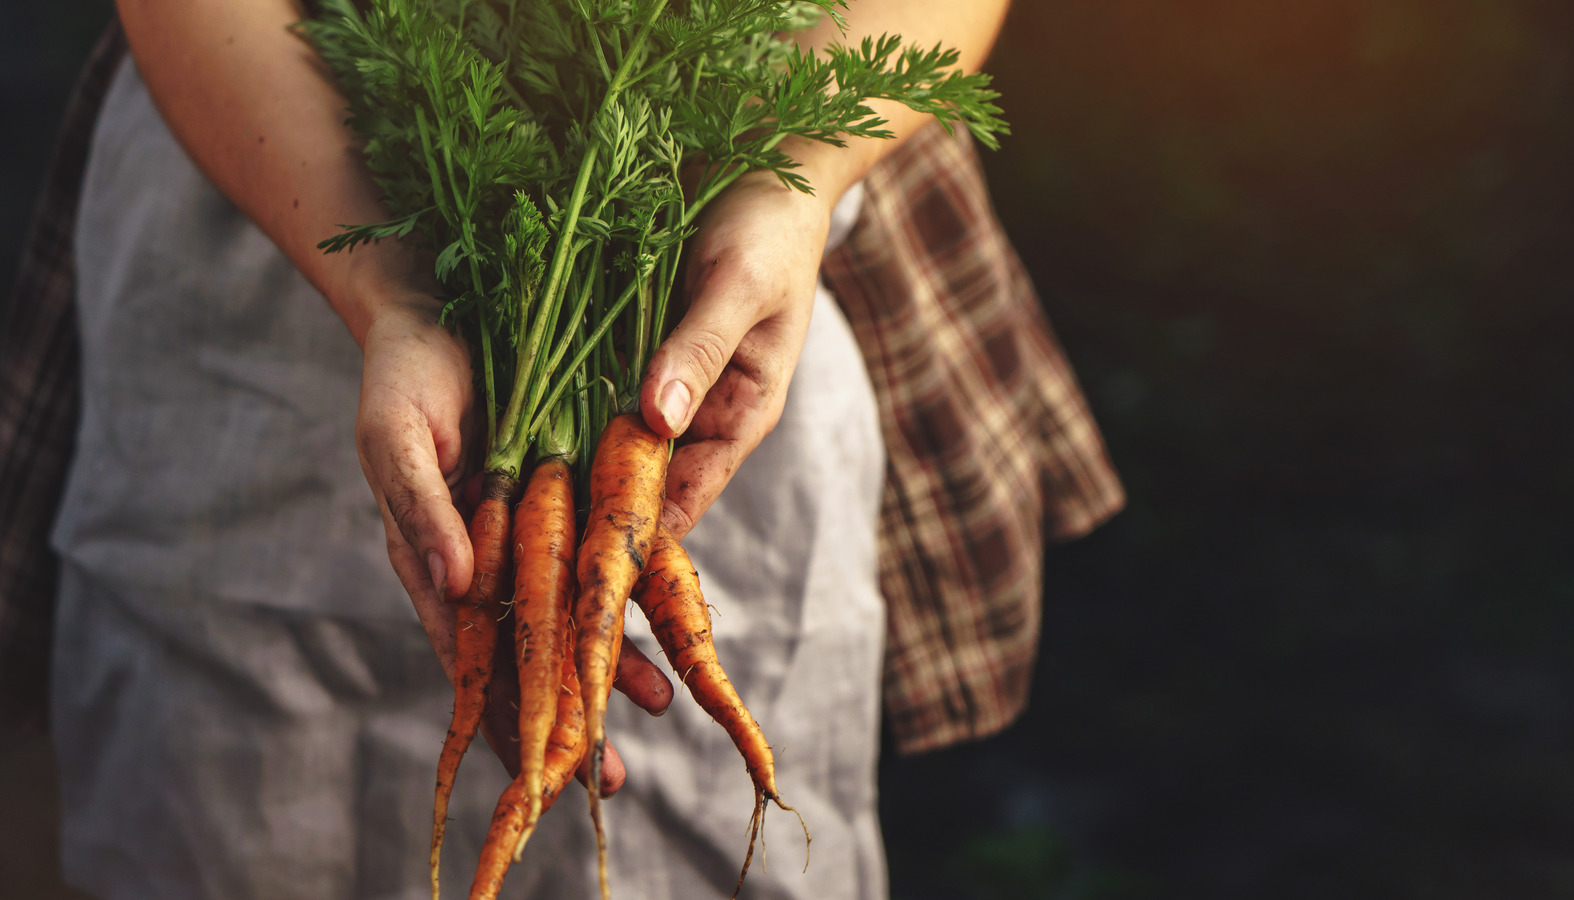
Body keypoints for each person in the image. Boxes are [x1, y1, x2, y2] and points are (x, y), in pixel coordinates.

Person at [0, 2, 1124, 898]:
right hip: (276, 156)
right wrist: (392, 296)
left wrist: (799, 177)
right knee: (234, 828)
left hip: (746, 186)